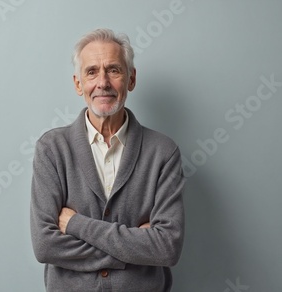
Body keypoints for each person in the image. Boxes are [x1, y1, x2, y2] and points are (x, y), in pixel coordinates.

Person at [29, 28, 185, 292]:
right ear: (78, 84)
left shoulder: (163, 152)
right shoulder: (52, 149)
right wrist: (137, 248)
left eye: (113, 70)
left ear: (131, 79)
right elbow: (45, 245)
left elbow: (167, 248)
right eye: (91, 72)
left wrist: (75, 224)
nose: (103, 82)